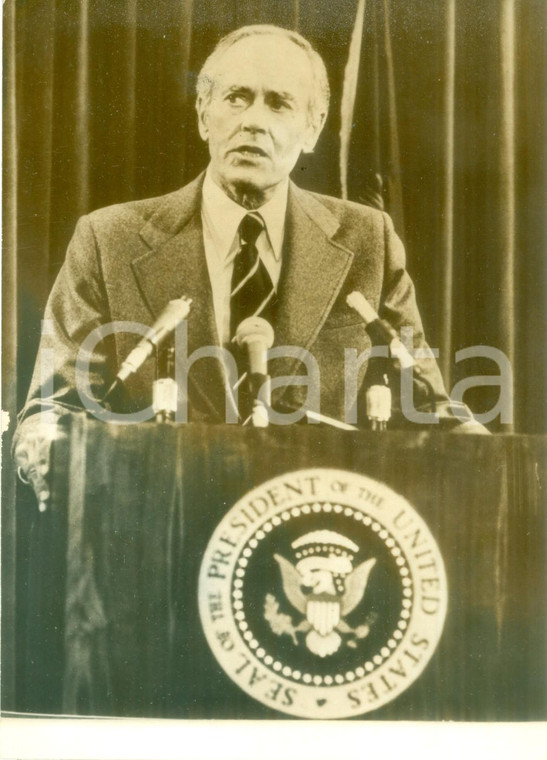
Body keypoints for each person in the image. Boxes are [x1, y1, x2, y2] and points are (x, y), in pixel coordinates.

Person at [13, 24, 485, 507]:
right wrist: (45, 444)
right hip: (157, 529)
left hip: (307, 529)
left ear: (313, 127)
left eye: (279, 103)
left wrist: (485, 456)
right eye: (236, 98)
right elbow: (55, 404)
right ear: (203, 115)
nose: (253, 121)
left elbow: (427, 404)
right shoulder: (107, 239)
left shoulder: (368, 241)